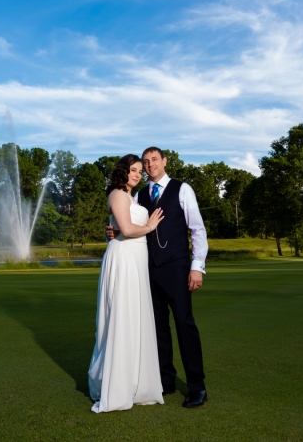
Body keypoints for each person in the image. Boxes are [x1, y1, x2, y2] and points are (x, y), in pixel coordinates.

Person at [107, 147, 209, 408]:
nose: (149, 165)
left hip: (176, 267)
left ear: (164, 161)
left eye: (154, 160)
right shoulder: (139, 194)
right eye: (145, 161)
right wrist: (114, 230)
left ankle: (197, 386)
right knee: (157, 329)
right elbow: (129, 225)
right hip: (145, 269)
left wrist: (197, 266)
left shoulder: (182, 189)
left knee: (184, 325)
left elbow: (197, 230)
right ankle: (165, 381)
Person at [87, 154, 165, 413]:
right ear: (123, 171)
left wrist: (115, 229)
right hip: (123, 259)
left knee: (134, 318)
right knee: (121, 317)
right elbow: (128, 230)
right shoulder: (117, 194)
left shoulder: (132, 197)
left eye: (139, 171)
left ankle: (135, 383)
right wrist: (151, 225)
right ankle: (117, 386)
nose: (137, 174)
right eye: (132, 170)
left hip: (136, 260)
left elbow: (120, 227)